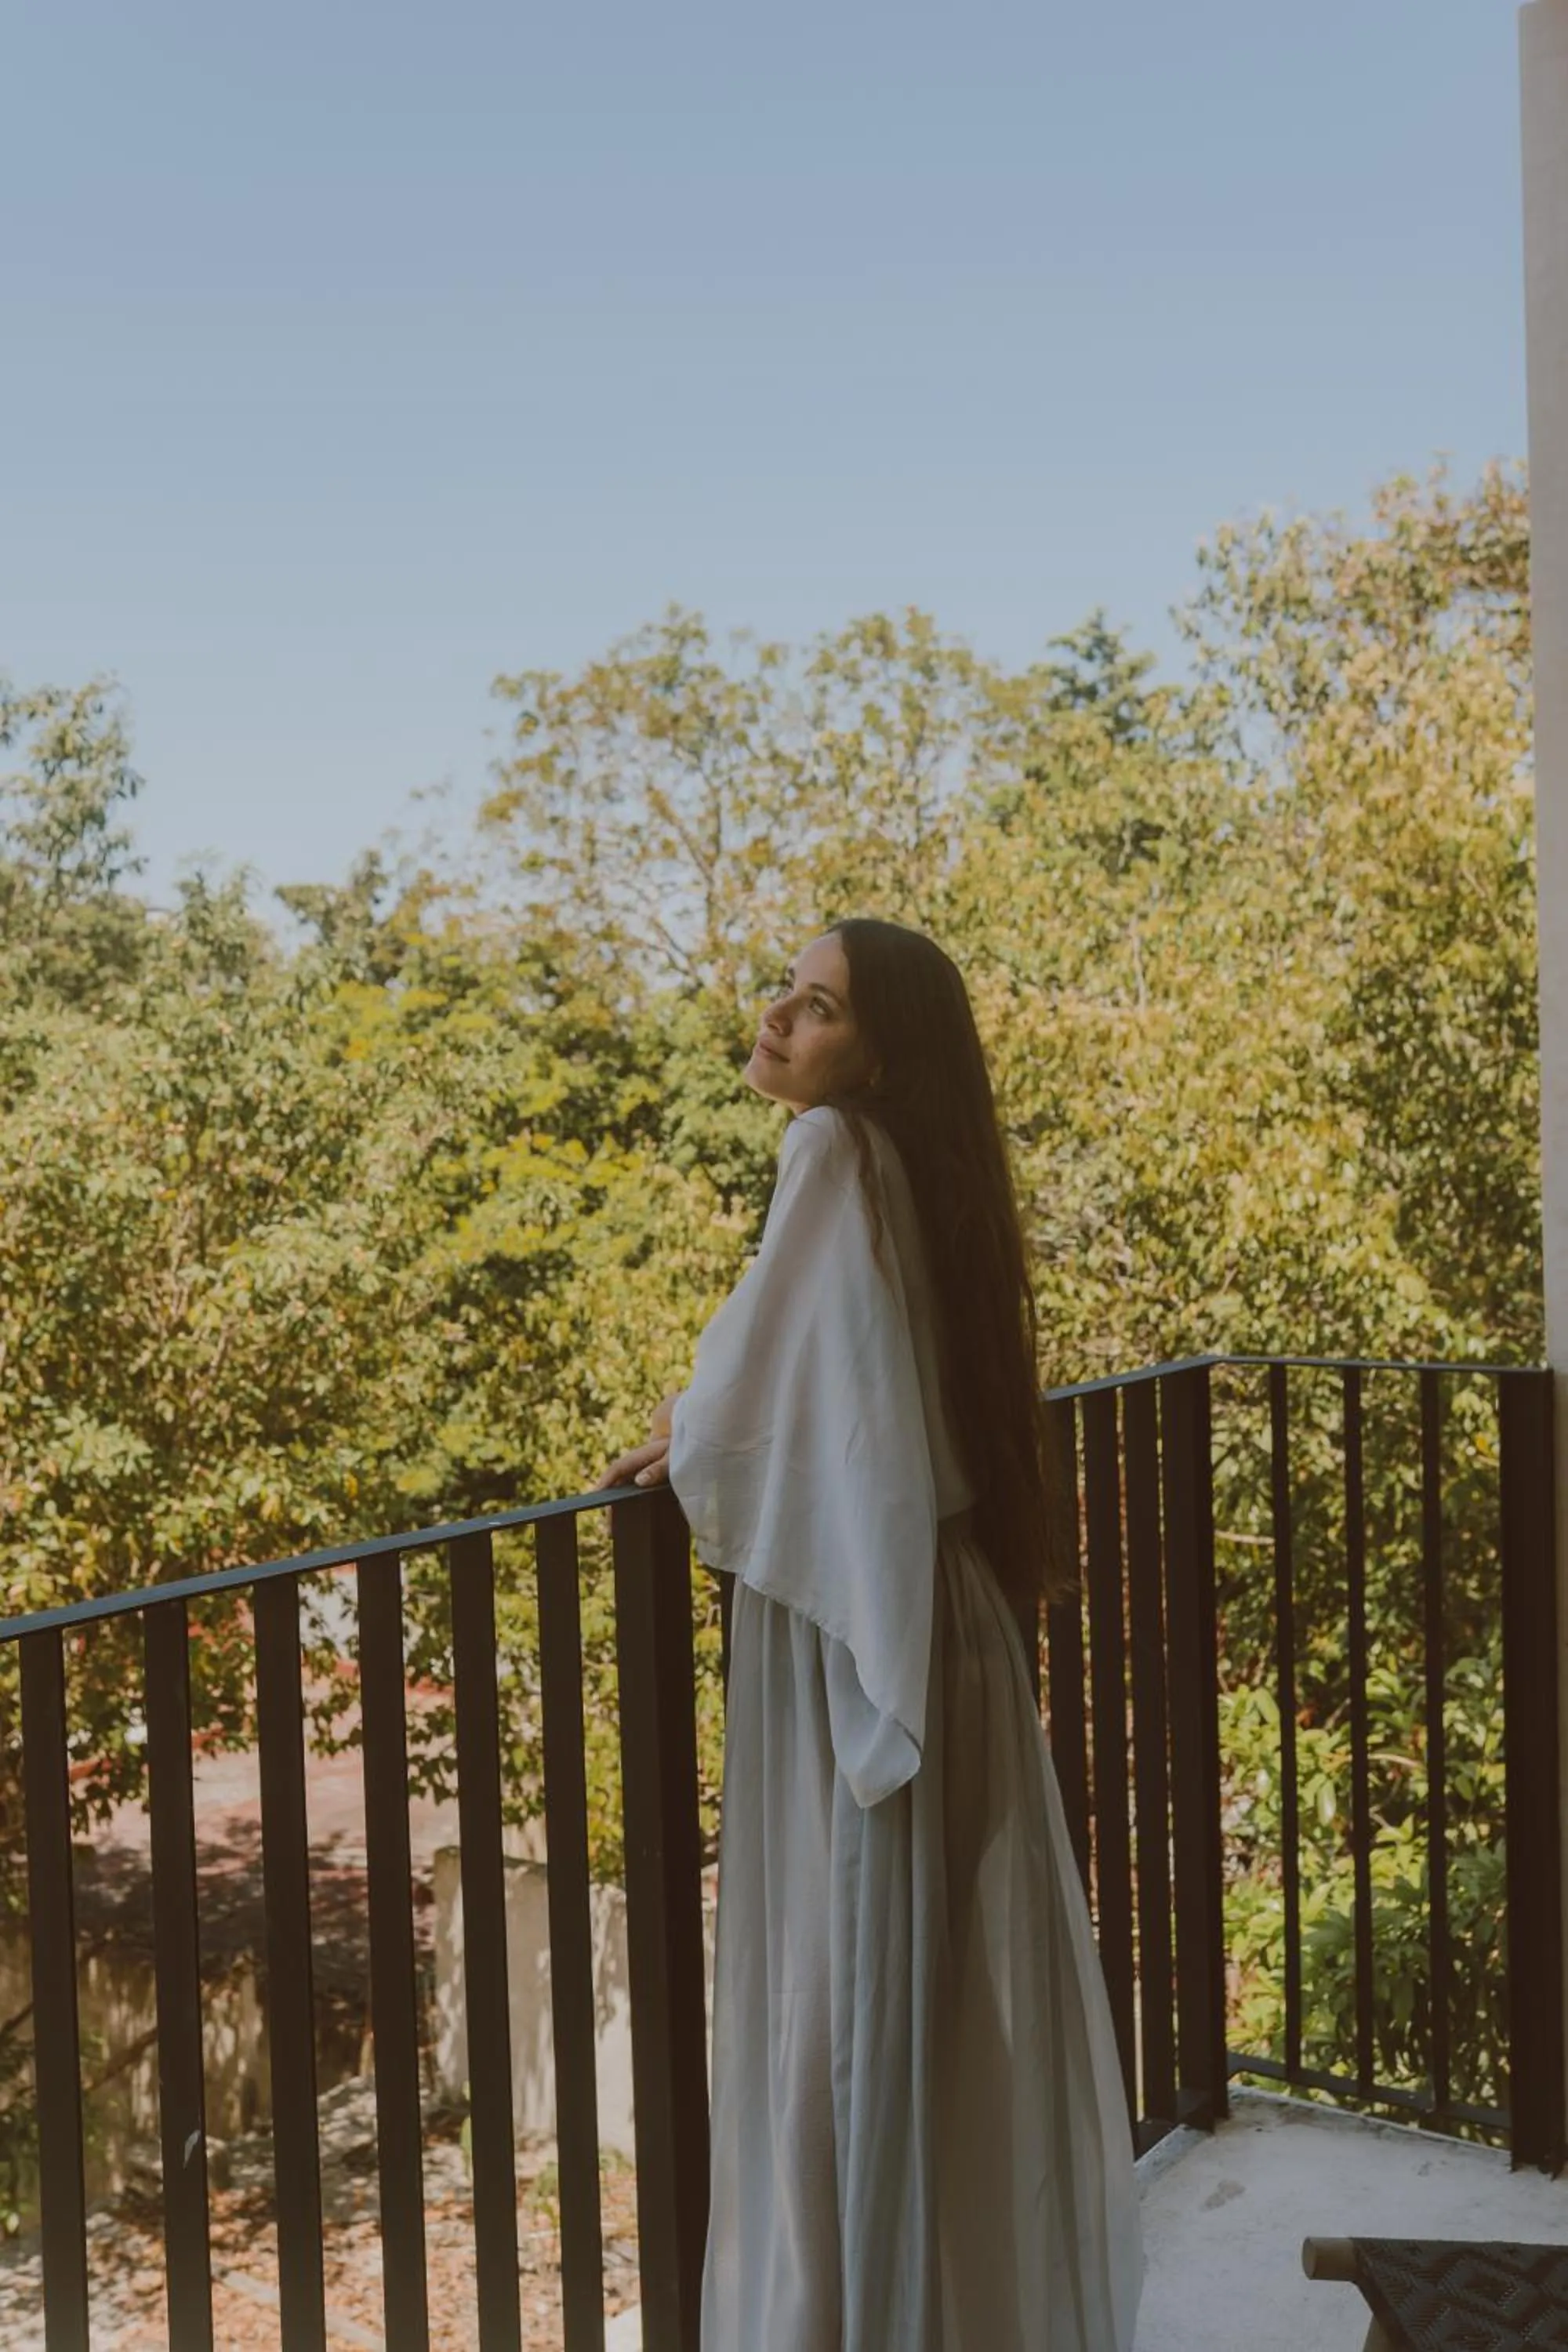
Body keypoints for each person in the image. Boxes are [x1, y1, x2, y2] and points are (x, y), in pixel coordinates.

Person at [603, 917, 1144, 2352]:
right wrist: (715, 1412)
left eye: (821, 1008)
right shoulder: (927, 1176)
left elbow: (760, 1408)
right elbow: (834, 1381)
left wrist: (690, 1425)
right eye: (787, 992)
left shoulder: (834, 1153)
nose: (780, 1019)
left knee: (838, 2027)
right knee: (931, 2016)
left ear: (879, 1055)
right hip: (945, 1616)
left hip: (856, 1638)